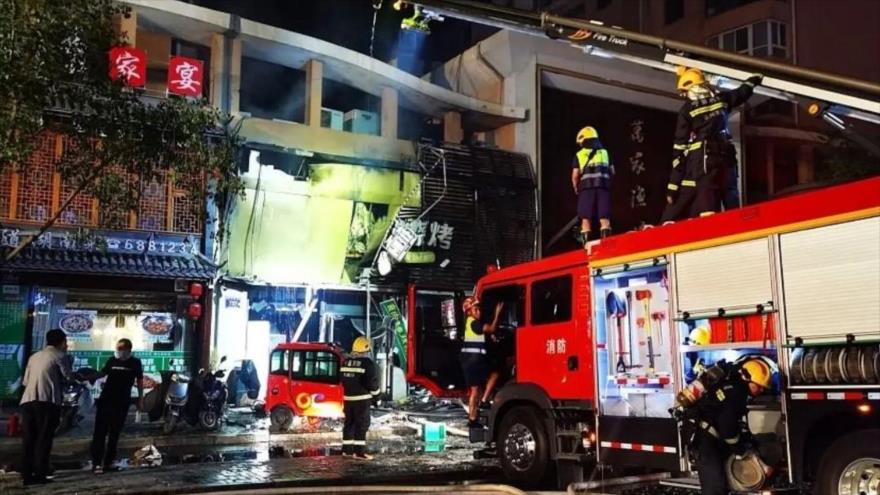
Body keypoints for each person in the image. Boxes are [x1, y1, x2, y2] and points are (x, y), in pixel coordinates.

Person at [662, 68, 763, 222]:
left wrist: (673, 185)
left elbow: (680, 147)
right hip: (726, 154)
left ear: (691, 87)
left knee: (707, 200)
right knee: (730, 194)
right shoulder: (721, 99)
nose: (684, 95)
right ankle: (738, 225)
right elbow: (741, 93)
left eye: (684, 91)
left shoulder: (687, 110)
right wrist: (753, 80)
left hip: (704, 159)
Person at [693, 357, 772, 495]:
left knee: (721, 485)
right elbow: (727, 427)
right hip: (706, 442)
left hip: (711, 440)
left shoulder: (733, 387)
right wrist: (740, 450)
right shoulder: (737, 394)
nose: (761, 390)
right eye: (758, 386)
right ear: (747, 379)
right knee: (715, 488)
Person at [19, 329, 75, 485]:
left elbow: (25, 382)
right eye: (66, 342)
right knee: (44, 438)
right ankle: (40, 474)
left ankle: (26, 474)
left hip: (28, 401)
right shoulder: (60, 356)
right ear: (61, 342)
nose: (67, 345)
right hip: (47, 402)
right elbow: (69, 377)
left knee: (29, 439)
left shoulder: (34, 356)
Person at [91, 338, 143, 474]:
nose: (118, 351)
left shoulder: (135, 363)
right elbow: (103, 373)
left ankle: (109, 462)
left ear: (128, 350)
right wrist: (90, 377)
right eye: (117, 348)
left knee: (115, 433)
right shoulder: (112, 360)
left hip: (122, 402)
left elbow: (140, 381)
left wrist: (140, 399)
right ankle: (96, 463)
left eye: (120, 349)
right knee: (100, 433)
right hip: (106, 400)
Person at [459, 296, 504, 426]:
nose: (479, 312)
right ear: (469, 312)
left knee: (478, 387)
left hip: (472, 361)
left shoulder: (470, 323)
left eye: (479, 309)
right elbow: (491, 328)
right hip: (473, 362)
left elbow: (484, 335)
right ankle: (475, 414)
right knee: (491, 377)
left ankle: (476, 413)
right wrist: (497, 314)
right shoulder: (473, 323)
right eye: (475, 309)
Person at [571, 126, 614, 243]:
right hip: (603, 187)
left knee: (586, 219)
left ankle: (586, 247)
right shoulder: (605, 153)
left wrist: (575, 186)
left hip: (586, 189)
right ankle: (606, 245)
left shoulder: (579, 155)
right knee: (604, 218)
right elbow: (612, 171)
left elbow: (575, 175)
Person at [341, 336, 380, 460]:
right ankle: (359, 453)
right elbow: (372, 383)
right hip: (362, 401)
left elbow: (342, 380)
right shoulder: (367, 364)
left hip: (348, 400)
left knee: (349, 424)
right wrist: (377, 397)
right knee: (361, 425)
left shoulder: (346, 362)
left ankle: (347, 451)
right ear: (366, 350)